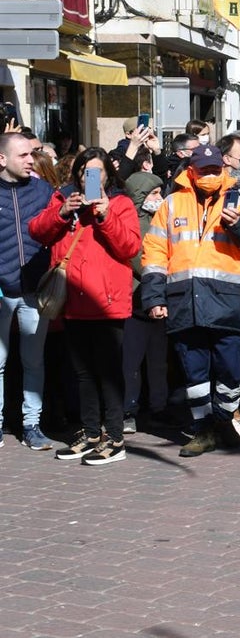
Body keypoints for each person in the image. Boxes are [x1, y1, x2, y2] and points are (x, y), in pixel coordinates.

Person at [141, 143, 240, 458]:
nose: (210, 175)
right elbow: (155, 253)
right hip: (185, 298)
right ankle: (204, 429)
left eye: (215, 170)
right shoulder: (171, 205)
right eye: (204, 170)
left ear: (223, 170)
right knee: (194, 369)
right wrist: (155, 296)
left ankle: (223, 420)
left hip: (227, 299)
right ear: (191, 171)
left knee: (230, 367)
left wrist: (239, 226)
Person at [30, 148, 141, 465]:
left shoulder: (120, 203)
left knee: (108, 373)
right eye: (84, 172)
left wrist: (106, 216)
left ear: (108, 174)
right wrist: (62, 212)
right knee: (82, 374)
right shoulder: (63, 198)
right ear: (77, 173)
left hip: (107, 303)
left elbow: (130, 247)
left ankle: (115, 438)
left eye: (97, 173)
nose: (90, 178)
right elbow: (37, 231)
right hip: (73, 300)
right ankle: (91, 432)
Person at [0, 132, 55, 450]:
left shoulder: (43, 190)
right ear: (2, 159)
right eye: (23, 155)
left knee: (34, 361)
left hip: (35, 290)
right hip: (2, 292)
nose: (31, 160)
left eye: (31, 154)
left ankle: (32, 425)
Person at [122, 172, 169, 433]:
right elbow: (142, 261)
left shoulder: (158, 220)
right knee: (132, 361)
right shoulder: (134, 224)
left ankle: (158, 405)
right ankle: (129, 408)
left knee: (157, 359)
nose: (159, 198)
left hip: (158, 300)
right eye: (153, 193)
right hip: (136, 300)